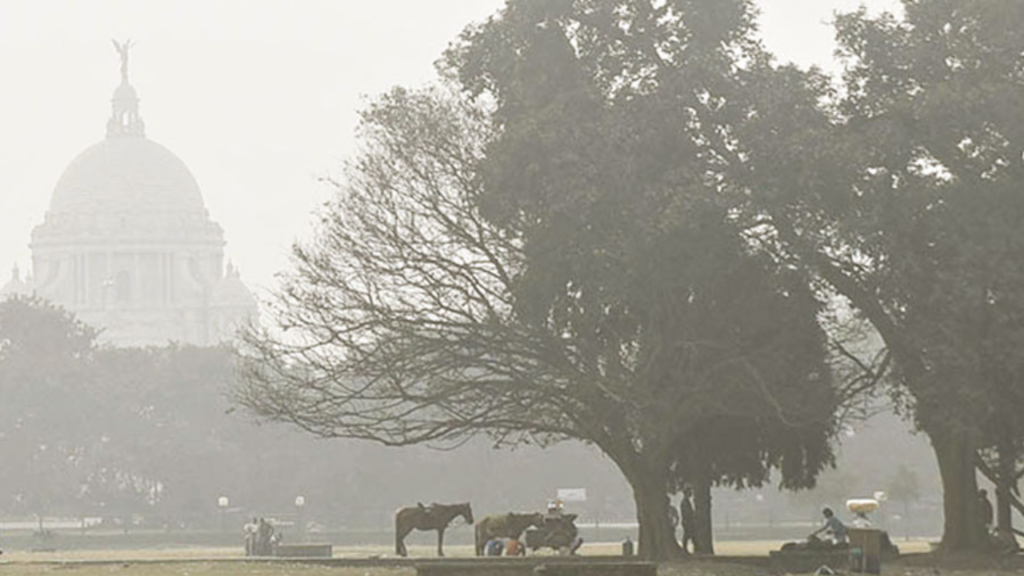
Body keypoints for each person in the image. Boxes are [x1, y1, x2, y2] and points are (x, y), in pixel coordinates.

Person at [679, 486, 697, 554]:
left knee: (689, 535)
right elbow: (687, 513)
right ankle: (686, 548)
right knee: (689, 535)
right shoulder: (685, 502)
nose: (691, 493)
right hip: (687, 521)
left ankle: (687, 548)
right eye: (689, 492)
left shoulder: (686, 502)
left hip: (687, 521)